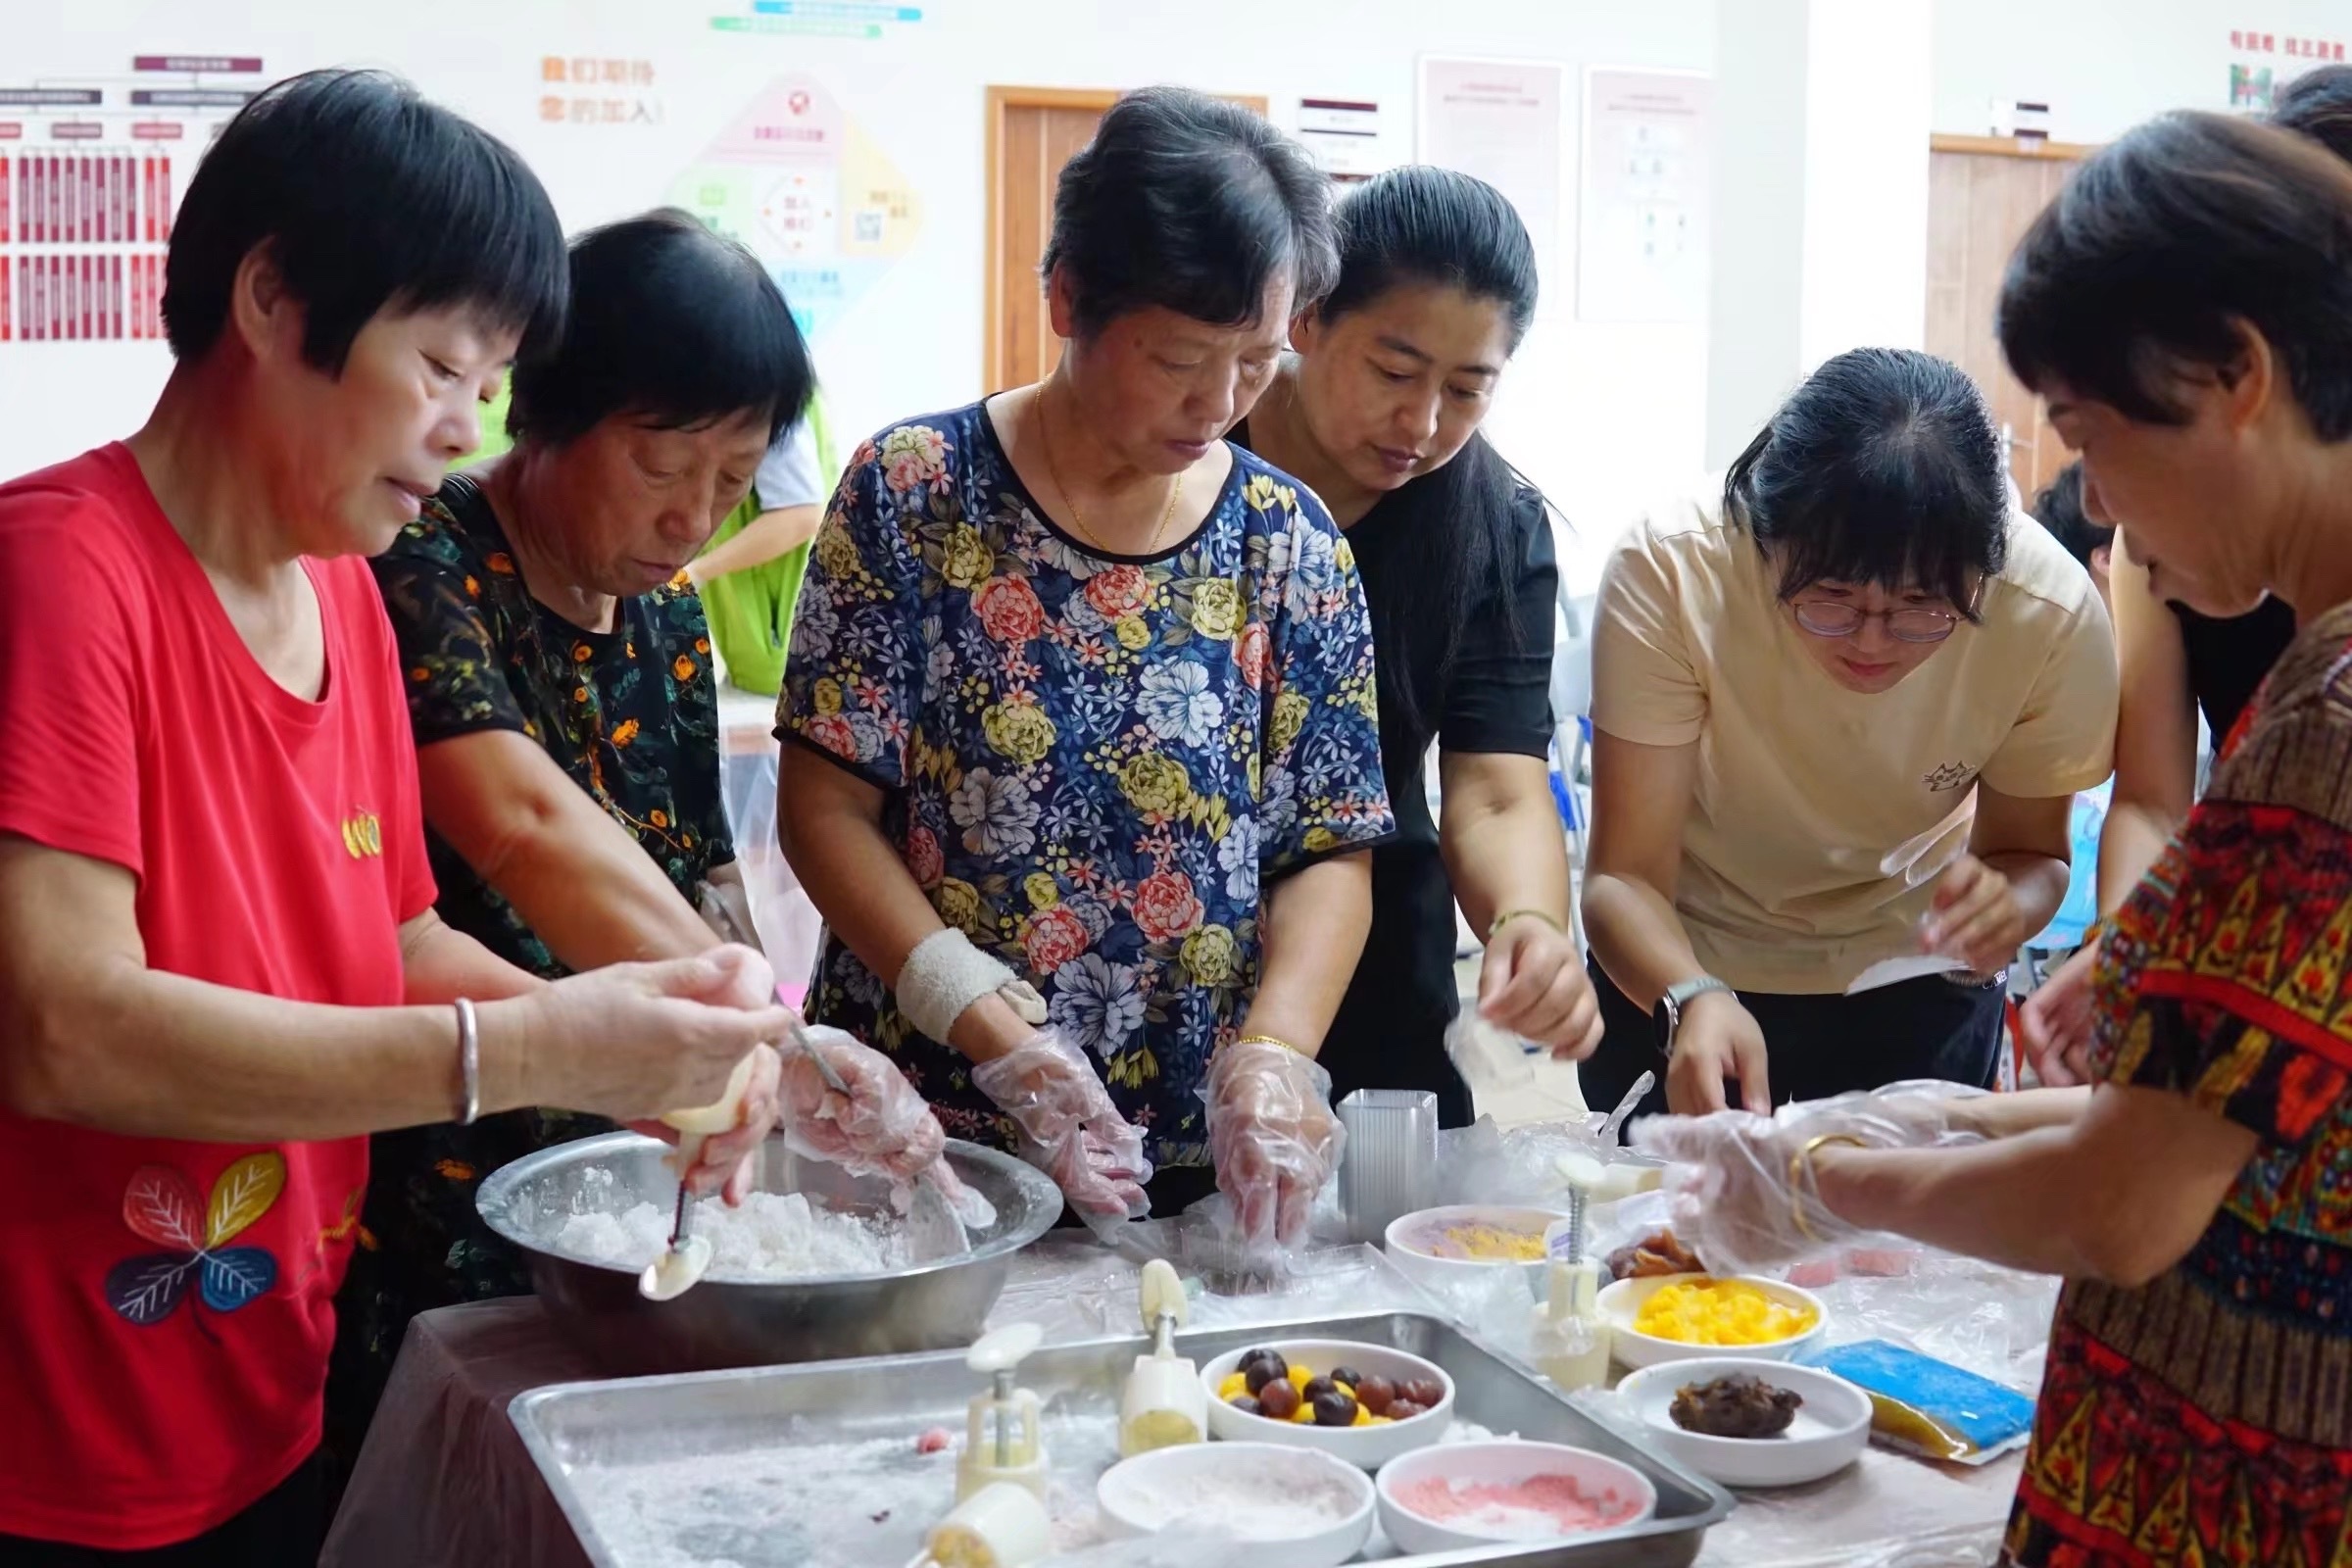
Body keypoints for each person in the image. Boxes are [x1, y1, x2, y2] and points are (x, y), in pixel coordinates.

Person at [0, 73, 792, 1563]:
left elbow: (395, 939)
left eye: (487, 384)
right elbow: (62, 1025)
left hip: (262, 1378)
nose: (462, 429)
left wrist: (642, 1043)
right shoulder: (61, 574)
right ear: (274, 299)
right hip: (62, 1433)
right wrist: (535, 1046)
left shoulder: (349, 600)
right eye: (439, 366)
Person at [1636, 110, 2352, 1567]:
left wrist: (1820, 1180)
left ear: (2238, 379)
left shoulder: (2328, 723)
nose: (2097, 512)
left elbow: (2124, 1202)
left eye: (2090, 438)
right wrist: (1930, 1122)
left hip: (2240, 1494)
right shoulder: (2314, 680)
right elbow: (2245, 1126)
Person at [337, 209, 947, 1452]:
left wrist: (776, 1022)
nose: (694, 524)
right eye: (667, 470)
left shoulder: (666, 619)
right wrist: (756, 1032)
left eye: (733, 485)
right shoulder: (422, 561)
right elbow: (518, 823)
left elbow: (703, 876)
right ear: (552, 405)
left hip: (627, 1173)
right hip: (444, 1158)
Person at [776, 86, 1394, 1251]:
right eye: (1177, 360)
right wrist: (980, 1017)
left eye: (1256, 364)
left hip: (1180, 1142)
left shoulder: (1289, 540)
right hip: (929, 1130)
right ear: (1067, 298)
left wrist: (1271, 1059)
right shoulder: (915, 491)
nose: (1217, 405)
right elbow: (824, 810)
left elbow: (1326, 846)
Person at [1578, 346, 2118, 1119]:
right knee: (1662, 1229)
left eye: (1921, 610)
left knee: (1897, 1236)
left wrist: (2005, 906)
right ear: (1767, 541)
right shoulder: (1674, 570)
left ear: (1981, 575)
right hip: (1685, 960)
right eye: (1828, 600)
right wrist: (1689, 995)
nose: (1870, 642)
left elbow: (2033, 855)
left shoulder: (2047, 611)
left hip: (1912, 972)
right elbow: (1622, 878)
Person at [1229, 166, 1600, 1129]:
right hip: (1160, 952)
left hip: (1376, 957)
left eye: (1470, 390)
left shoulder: (1495, 523)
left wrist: (1527, 921)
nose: (1424, 423)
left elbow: (1497, 784)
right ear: (1304, 320)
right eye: (1395, 373)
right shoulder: (1193, 459)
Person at [2013, 71, 2341, 1084]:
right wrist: (2142, 946)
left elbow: (2133, 1194)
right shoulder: (2170, 540)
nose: (2103, 508)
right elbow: (2153, 804)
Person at [689, 388, 837, 696]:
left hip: (784, 656)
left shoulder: (765, 393)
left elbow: (800, 515)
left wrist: (694, 574)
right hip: (766, 656)